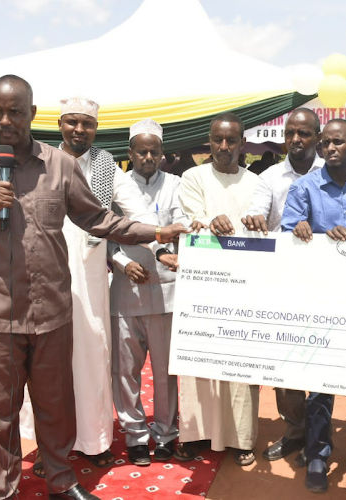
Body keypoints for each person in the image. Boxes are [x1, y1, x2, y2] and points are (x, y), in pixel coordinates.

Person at [0, 74, 188, 500]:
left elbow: (100, 220)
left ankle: (61, 481)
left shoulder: (61, 165)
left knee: (55, 406)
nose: (5, 120)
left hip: (51, 312)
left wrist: (154, 234)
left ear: (32, 113)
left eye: (15, 111)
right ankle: (1, 490)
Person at [20, 97, 157, 477]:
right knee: (49, 364)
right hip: (46, 274)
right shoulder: (40, 161)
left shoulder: (105, 166)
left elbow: (137, 212)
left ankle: (94, 441)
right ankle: (50, 446)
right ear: (59, 123)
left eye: (88, 124)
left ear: (95, 128)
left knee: (93, 356)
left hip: (92, 275)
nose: (80, 130)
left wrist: (161, 241)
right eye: (72, 122)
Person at [281, 118, 346, 494]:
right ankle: (318, 452)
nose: (331, 148)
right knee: (319, 381)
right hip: (321, 299)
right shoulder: (303, 187)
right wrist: (305, 232)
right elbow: (288, 231)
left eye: (339, 142)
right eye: (326, 143)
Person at [177, 112, 261, 466]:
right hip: (203, 285)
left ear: (243, 144)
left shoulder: (257, 182)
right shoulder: (193, 176)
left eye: (231, 141)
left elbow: (264, 228)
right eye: (217, 140)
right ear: (208, 142)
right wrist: (210, 221)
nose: (223, 147)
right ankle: (197, 433)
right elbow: (191, 220)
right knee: (200, 361)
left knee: (241, 365)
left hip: (246, 286)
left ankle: (242, 438)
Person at [241, 108, 324, 464]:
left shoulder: (333, 171)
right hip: (283, 286)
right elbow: (257, 211)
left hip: (326, 285)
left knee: (324, 363)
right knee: (284, 366)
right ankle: (295, 431)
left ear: (317, 137)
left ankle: (321, 439)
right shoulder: (270, 177)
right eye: (290, 133)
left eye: (304, 133)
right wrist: (256, 219)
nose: (295, 139)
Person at [108, 119, 190, 466]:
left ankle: (166, 434)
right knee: (125, 370)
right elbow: (103, 237)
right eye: (141, 151)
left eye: (153, 151)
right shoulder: (115, 186)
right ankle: (136, 435)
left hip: (165, 292)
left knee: (165, 370)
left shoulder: (175, 184)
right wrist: (122, 263)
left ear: (161, 153)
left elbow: (180, 225)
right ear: (130, 153)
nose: (147, 157)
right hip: (126, 291)